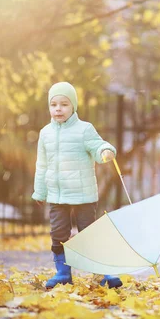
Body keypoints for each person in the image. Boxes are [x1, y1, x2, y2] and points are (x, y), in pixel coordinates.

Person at [32, 81, 122, 289]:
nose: (58, 109)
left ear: (73, 106)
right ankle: (63, 273)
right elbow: (42, 164)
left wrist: (106, 152)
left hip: (83, 195)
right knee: (58, 235)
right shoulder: (45, 133)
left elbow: (98, 146)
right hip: (57, 196)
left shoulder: (84, 130)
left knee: (89, 234)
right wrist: (40, 191)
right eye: (54, 104)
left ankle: (103, 272)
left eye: (64, 104)